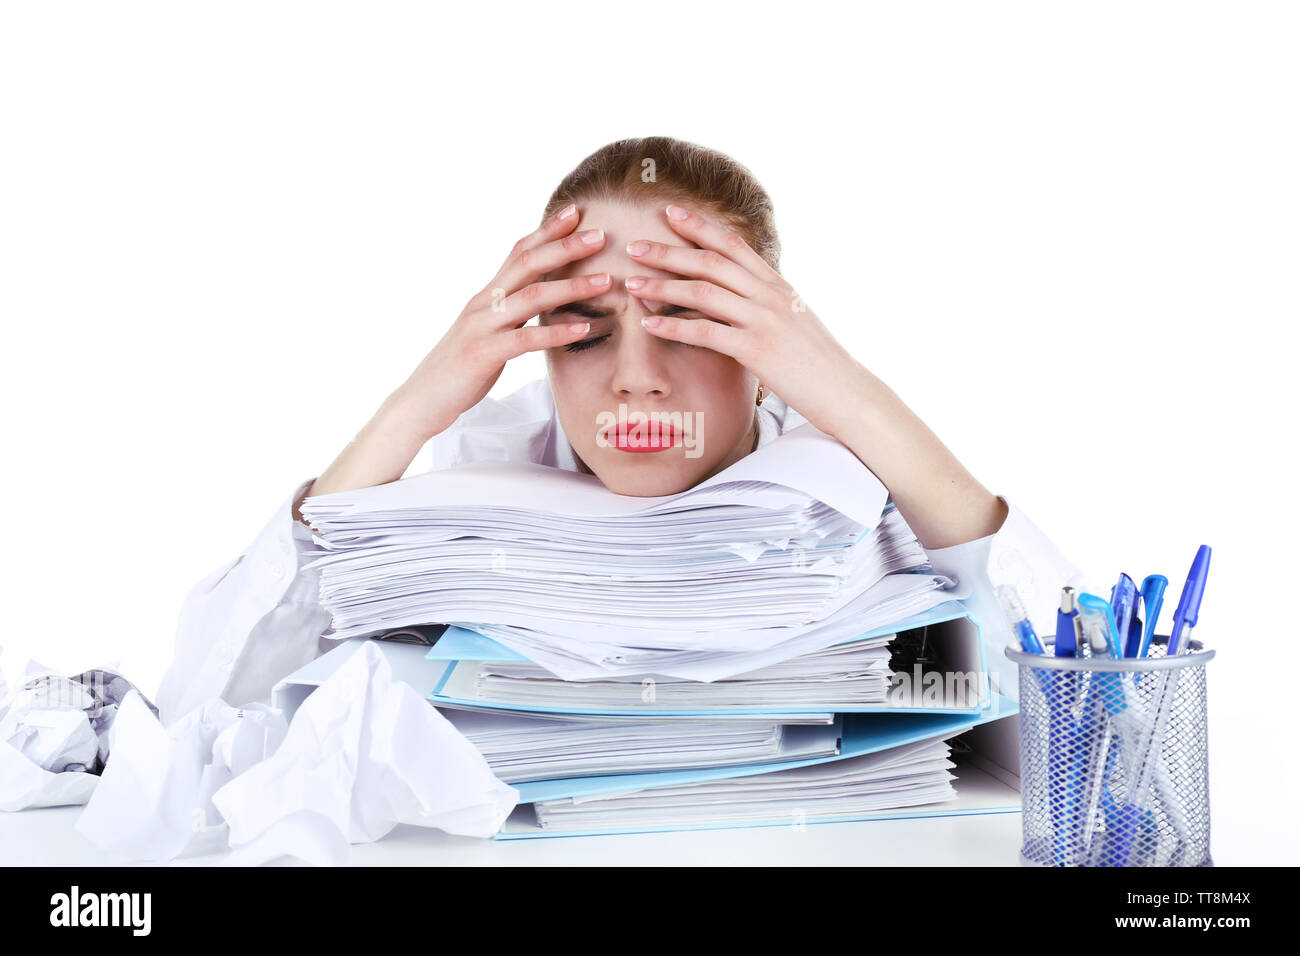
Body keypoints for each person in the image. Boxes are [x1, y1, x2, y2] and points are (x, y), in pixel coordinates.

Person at [156, 136, 1085, 728]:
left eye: (685, 322)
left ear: (769, 350)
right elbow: (216, 706)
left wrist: (849, 392)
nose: (635, 377)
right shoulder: (476, 480)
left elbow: (1094, 712)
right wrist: (414, 405)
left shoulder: (848, 482)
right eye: (587, 332)